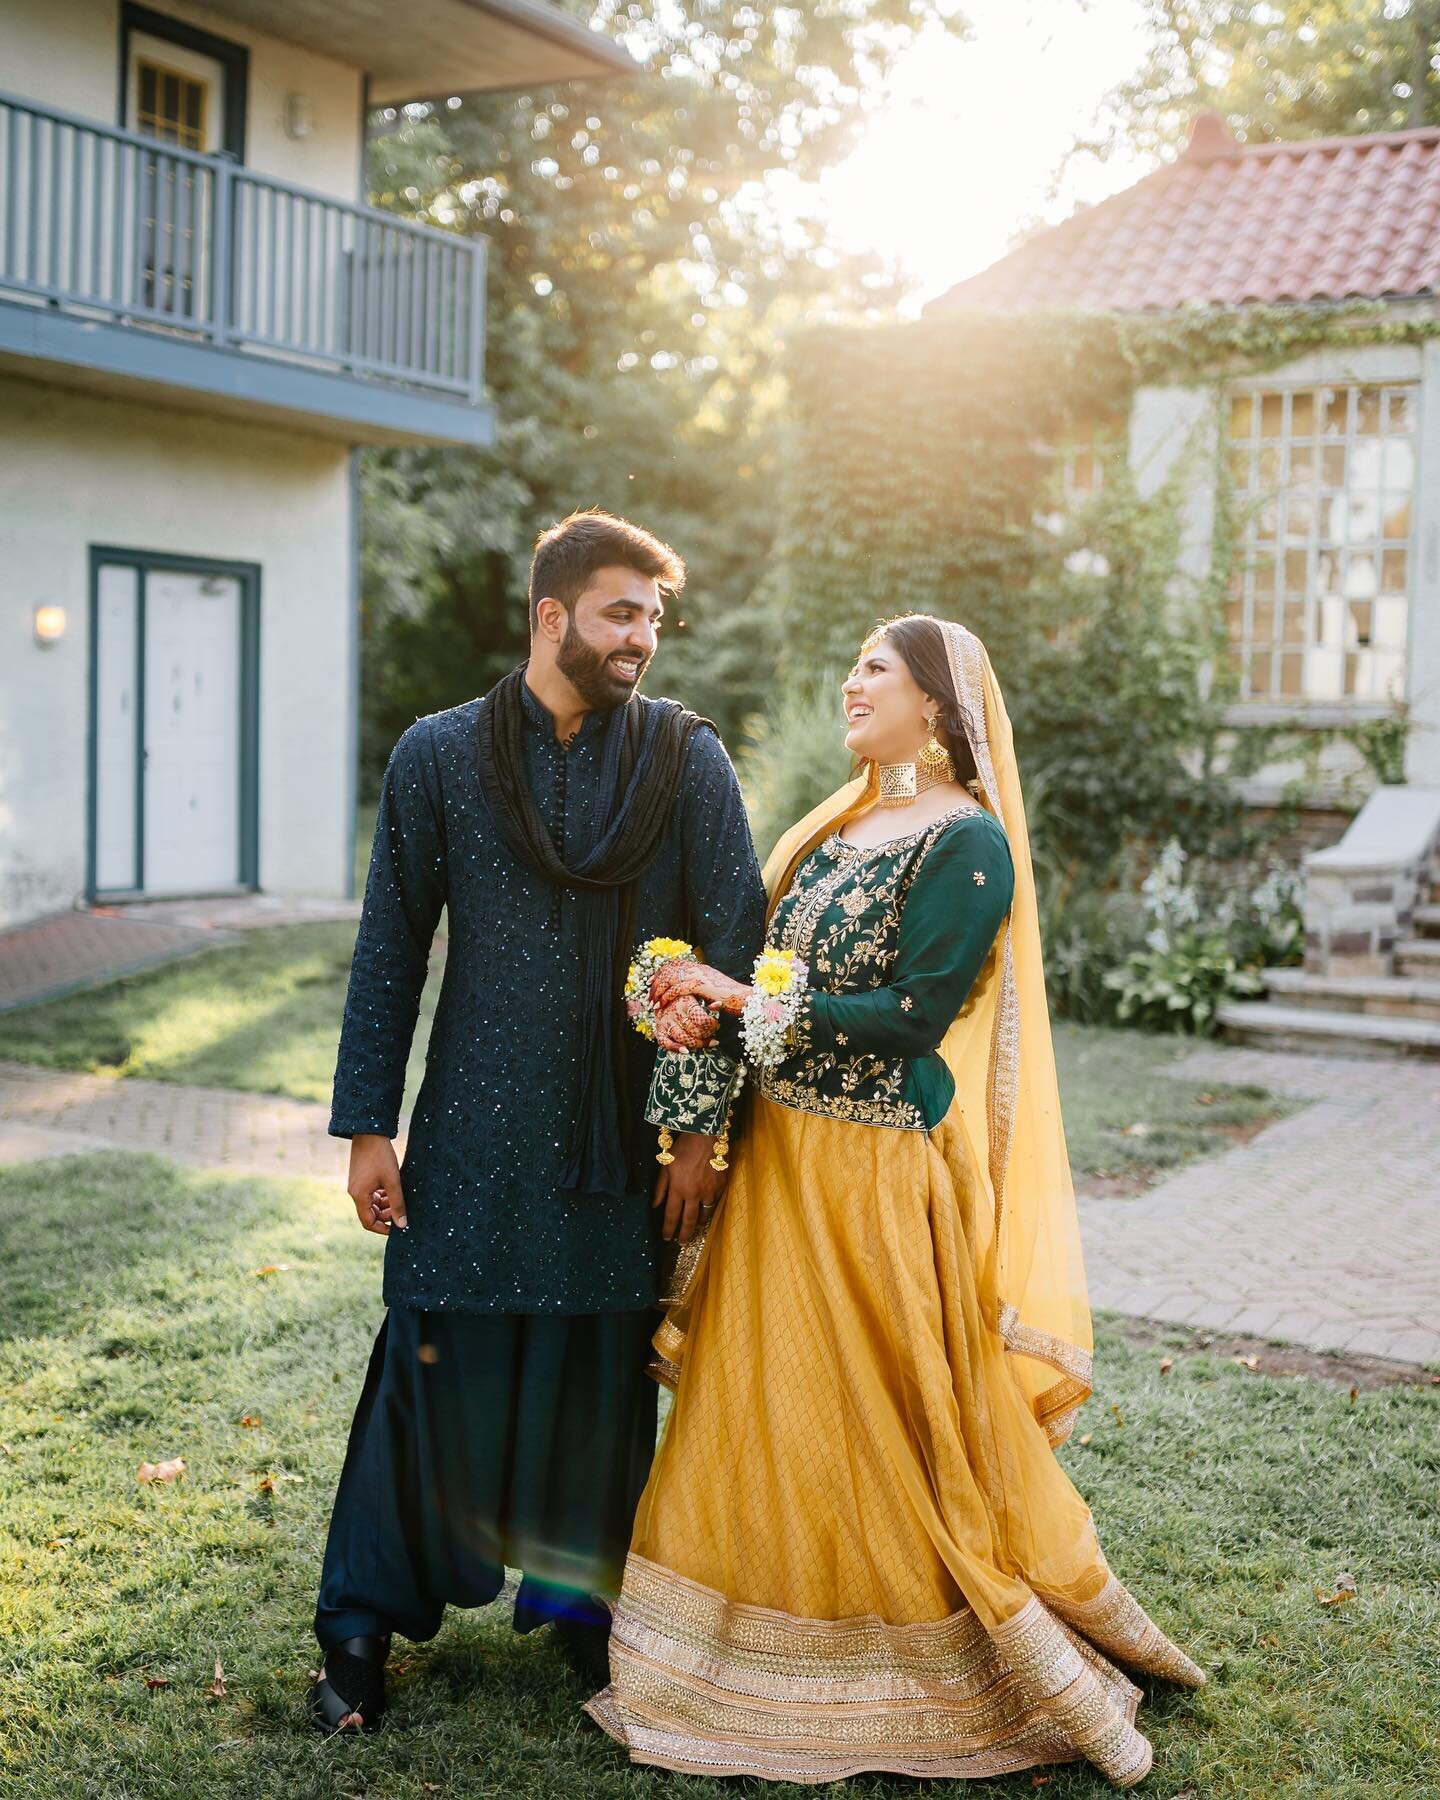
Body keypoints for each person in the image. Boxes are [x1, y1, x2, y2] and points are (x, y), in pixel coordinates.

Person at [586, 613, 1203, 1788]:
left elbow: (916, 1016)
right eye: (852, 660)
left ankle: (908, 1644)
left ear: (937, 703)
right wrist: (688, 1001)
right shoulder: (839, 827)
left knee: (882, 1415)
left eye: (877, 666)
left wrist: (742, 996)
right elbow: (763, 970)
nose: (850, 681)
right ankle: (733, 1636)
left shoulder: (969, 845)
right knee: (766, 1401)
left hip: (874, 1177)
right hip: (782, 1168)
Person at [309, 509, 766, 1733]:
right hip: (464, 1134)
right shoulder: (440, 756)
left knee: (597, 1384)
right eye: (624, 613)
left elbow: (734, 950)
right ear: (550, 614)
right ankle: (357, 1627)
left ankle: (581, 1616)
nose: (644, 640)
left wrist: (693, 1136)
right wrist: (367, 1127)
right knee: (425, 1366)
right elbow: (390, 947)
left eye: (655, 619)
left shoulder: (683, 761)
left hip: (616, 1144)